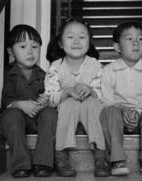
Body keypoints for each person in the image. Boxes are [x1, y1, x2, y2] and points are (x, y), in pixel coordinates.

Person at [45, 18, 110, 177]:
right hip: (66, 119)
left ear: (89, 42)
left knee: (91, 103)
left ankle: (101, 156)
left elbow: (103, 95)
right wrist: (66, 91)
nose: (76, 41)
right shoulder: (55, 67)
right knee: (69, 103)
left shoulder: (95, 65)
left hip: (92, 117)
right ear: (60, 43)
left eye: (81, 37)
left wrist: (90, 90)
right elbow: (50, 98)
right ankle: (60, 155)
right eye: (70, 37)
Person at [100, 21, 142, 176]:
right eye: (129, 39)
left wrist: (137, 111)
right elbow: (106, 100)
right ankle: (117, 160)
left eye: (140, 39)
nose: (136, 43)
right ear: (117, 47)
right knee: (110, 111)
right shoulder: (109, 70)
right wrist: (124, 109)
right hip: (118, 116)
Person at [0, 24, 57, 178]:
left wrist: (45, 101)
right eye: (23, 46)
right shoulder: (5, 74)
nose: (30, 51)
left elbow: (51, 95)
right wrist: (19, 104)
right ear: (11, 51)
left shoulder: (46, 75)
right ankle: (21, 164)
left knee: (51, 113)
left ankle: (43, 163)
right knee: (11, 115)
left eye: (35, 46)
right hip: (15, 122)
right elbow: (4, 100)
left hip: (38, 120)